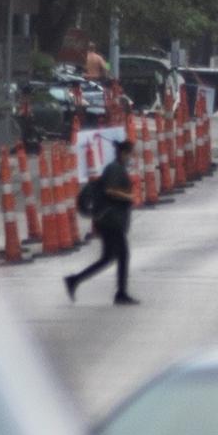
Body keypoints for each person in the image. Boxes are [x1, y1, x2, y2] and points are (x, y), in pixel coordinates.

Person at [64, 95, 135, 305]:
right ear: (123, 153)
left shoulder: (118, 167)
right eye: (130, 154)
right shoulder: (114, 168)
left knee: (109, 258)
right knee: (121, 256)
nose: (132, 157)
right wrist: (128, 196)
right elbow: (111, 190)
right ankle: (120, 293)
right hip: (109, 220)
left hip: (110, 220)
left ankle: (75, 280)